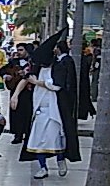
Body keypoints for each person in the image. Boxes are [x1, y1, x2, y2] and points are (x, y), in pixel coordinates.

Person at [13, 30, 81, 178]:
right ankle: (43, 167)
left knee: (55, 139)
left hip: (54, 110)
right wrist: (15, 95)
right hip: (39, 110)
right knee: (37, 141)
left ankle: (61, 160)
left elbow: (56, 85)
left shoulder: (59, 67)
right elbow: (26, 79)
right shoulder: (38, 68)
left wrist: (37, 82)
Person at [0, 43, 33, 144]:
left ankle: (28, 135)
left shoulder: (32, 62)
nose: (18, 52)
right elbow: (2, 70)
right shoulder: (13, 62)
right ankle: (17, 134)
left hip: (28, 92)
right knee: (16, 113)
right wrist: (6, 76)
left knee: (28, 113)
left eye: (21, 50)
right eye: (18, 50)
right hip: (15, 91)